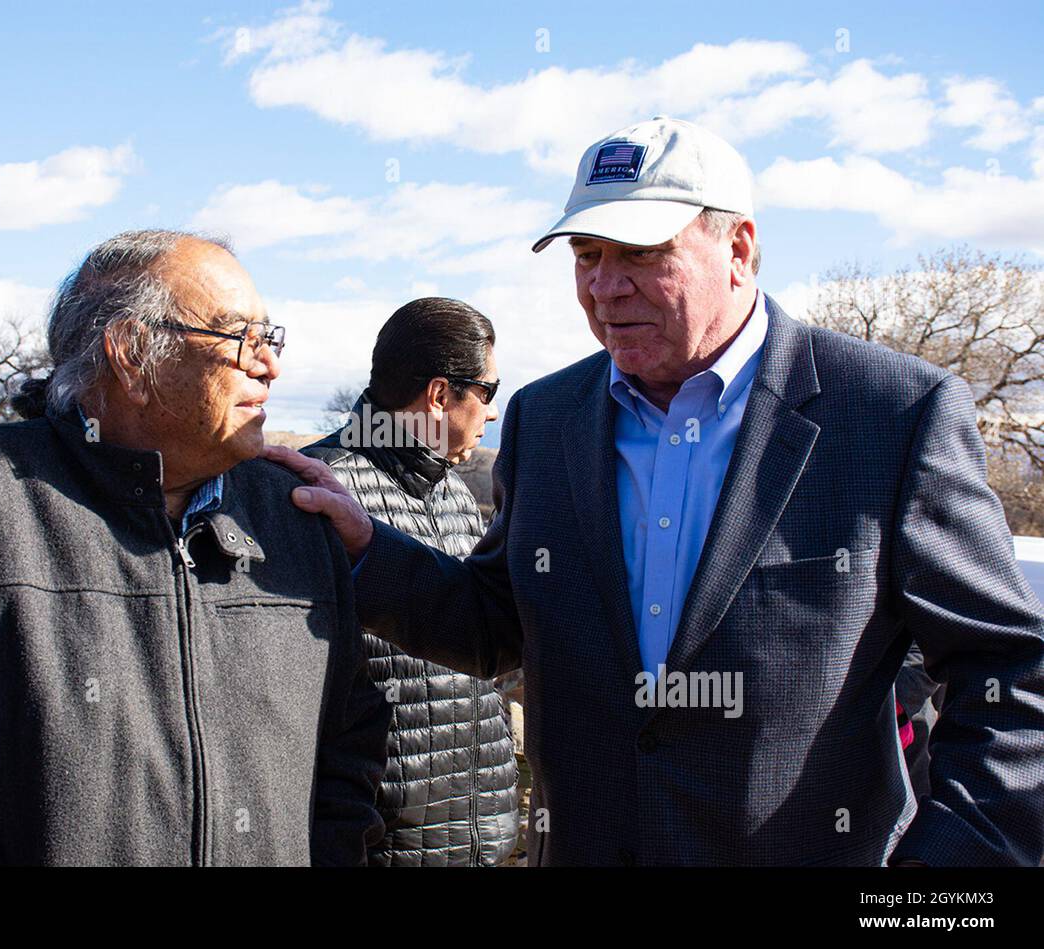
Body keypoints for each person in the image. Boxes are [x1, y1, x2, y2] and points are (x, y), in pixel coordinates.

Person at [266, 116, 1044, 866]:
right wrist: (366, 548)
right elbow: (501, 620)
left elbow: (1006, 674)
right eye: (586, 254)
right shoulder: (547, 418)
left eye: (639, 252)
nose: (605, 286)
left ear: (739, 248)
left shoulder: (891, 413)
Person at [0, 229, 390, 865]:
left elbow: (349, 742)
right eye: (240, 338)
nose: (269, 364)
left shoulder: (294, 517)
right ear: (131, 357)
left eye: (269, 337)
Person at [301, 297, 520, 866]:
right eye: (488, 393)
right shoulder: (314, 498)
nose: (493, 413)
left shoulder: (455, 494)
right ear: (441, 395)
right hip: (380, 847)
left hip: (482, 845)